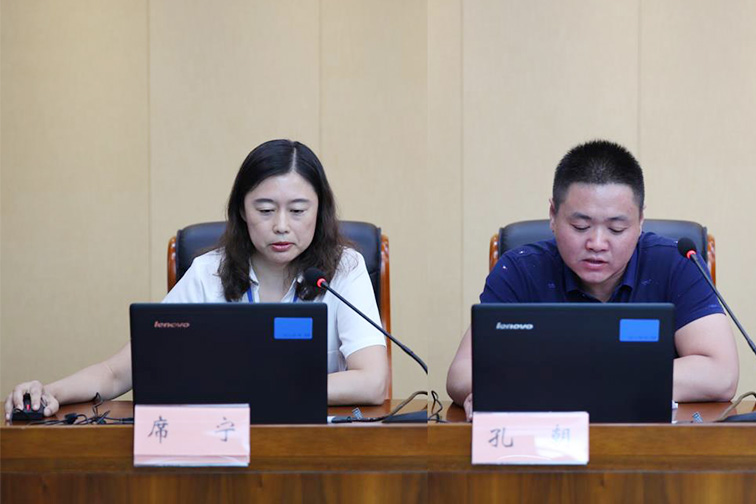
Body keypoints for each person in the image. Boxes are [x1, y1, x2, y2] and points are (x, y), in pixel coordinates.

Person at [5, 139, 389, 419]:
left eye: (299, 210)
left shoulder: (345, 269)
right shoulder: (209, 272)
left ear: (320, 211)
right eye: (265, 209)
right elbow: (118, 372)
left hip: (316, 446)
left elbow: (372, 382)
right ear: (242, 211)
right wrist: (50, 391)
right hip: (219, 445)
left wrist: (254, 388)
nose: (281, 226)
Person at [447, 139, 739, 420]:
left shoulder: (676, 263)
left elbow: (721, 373)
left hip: (649, 441)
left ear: (640, 221)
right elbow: (461, 373)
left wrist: (563, 382)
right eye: (580, 226)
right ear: (553, 215)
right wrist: (616, 382)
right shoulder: (521, 269)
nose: (597, 243)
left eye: (616, 229)